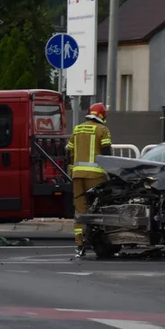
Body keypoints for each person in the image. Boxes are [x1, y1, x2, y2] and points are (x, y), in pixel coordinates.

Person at [66, 102, 112, 258]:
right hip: (96, 176)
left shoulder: (77, 129)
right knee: (97, 210)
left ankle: (80, 245)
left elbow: (69, 151)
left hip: (77, 176)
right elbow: (106, 154)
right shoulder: (103, 130)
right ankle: (97, 242)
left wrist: (71, 170)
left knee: (80, 211)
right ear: (102, 116)